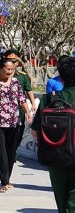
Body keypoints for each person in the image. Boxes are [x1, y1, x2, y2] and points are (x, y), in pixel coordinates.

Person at [0, 56, 32, 193]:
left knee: (11, 152)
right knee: (2, 152)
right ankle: (3, 182)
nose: (10, 72)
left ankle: (7, 179)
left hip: (15, 122)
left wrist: (28, 113)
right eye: (7, 69)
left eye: (12, 69)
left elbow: (22, 99)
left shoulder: (15, 82)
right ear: (0, 69)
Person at [31, 55, 75, 213]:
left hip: (56, 156)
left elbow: (35, 133)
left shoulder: (49, 99)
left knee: (62, 200)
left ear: (61, 77)